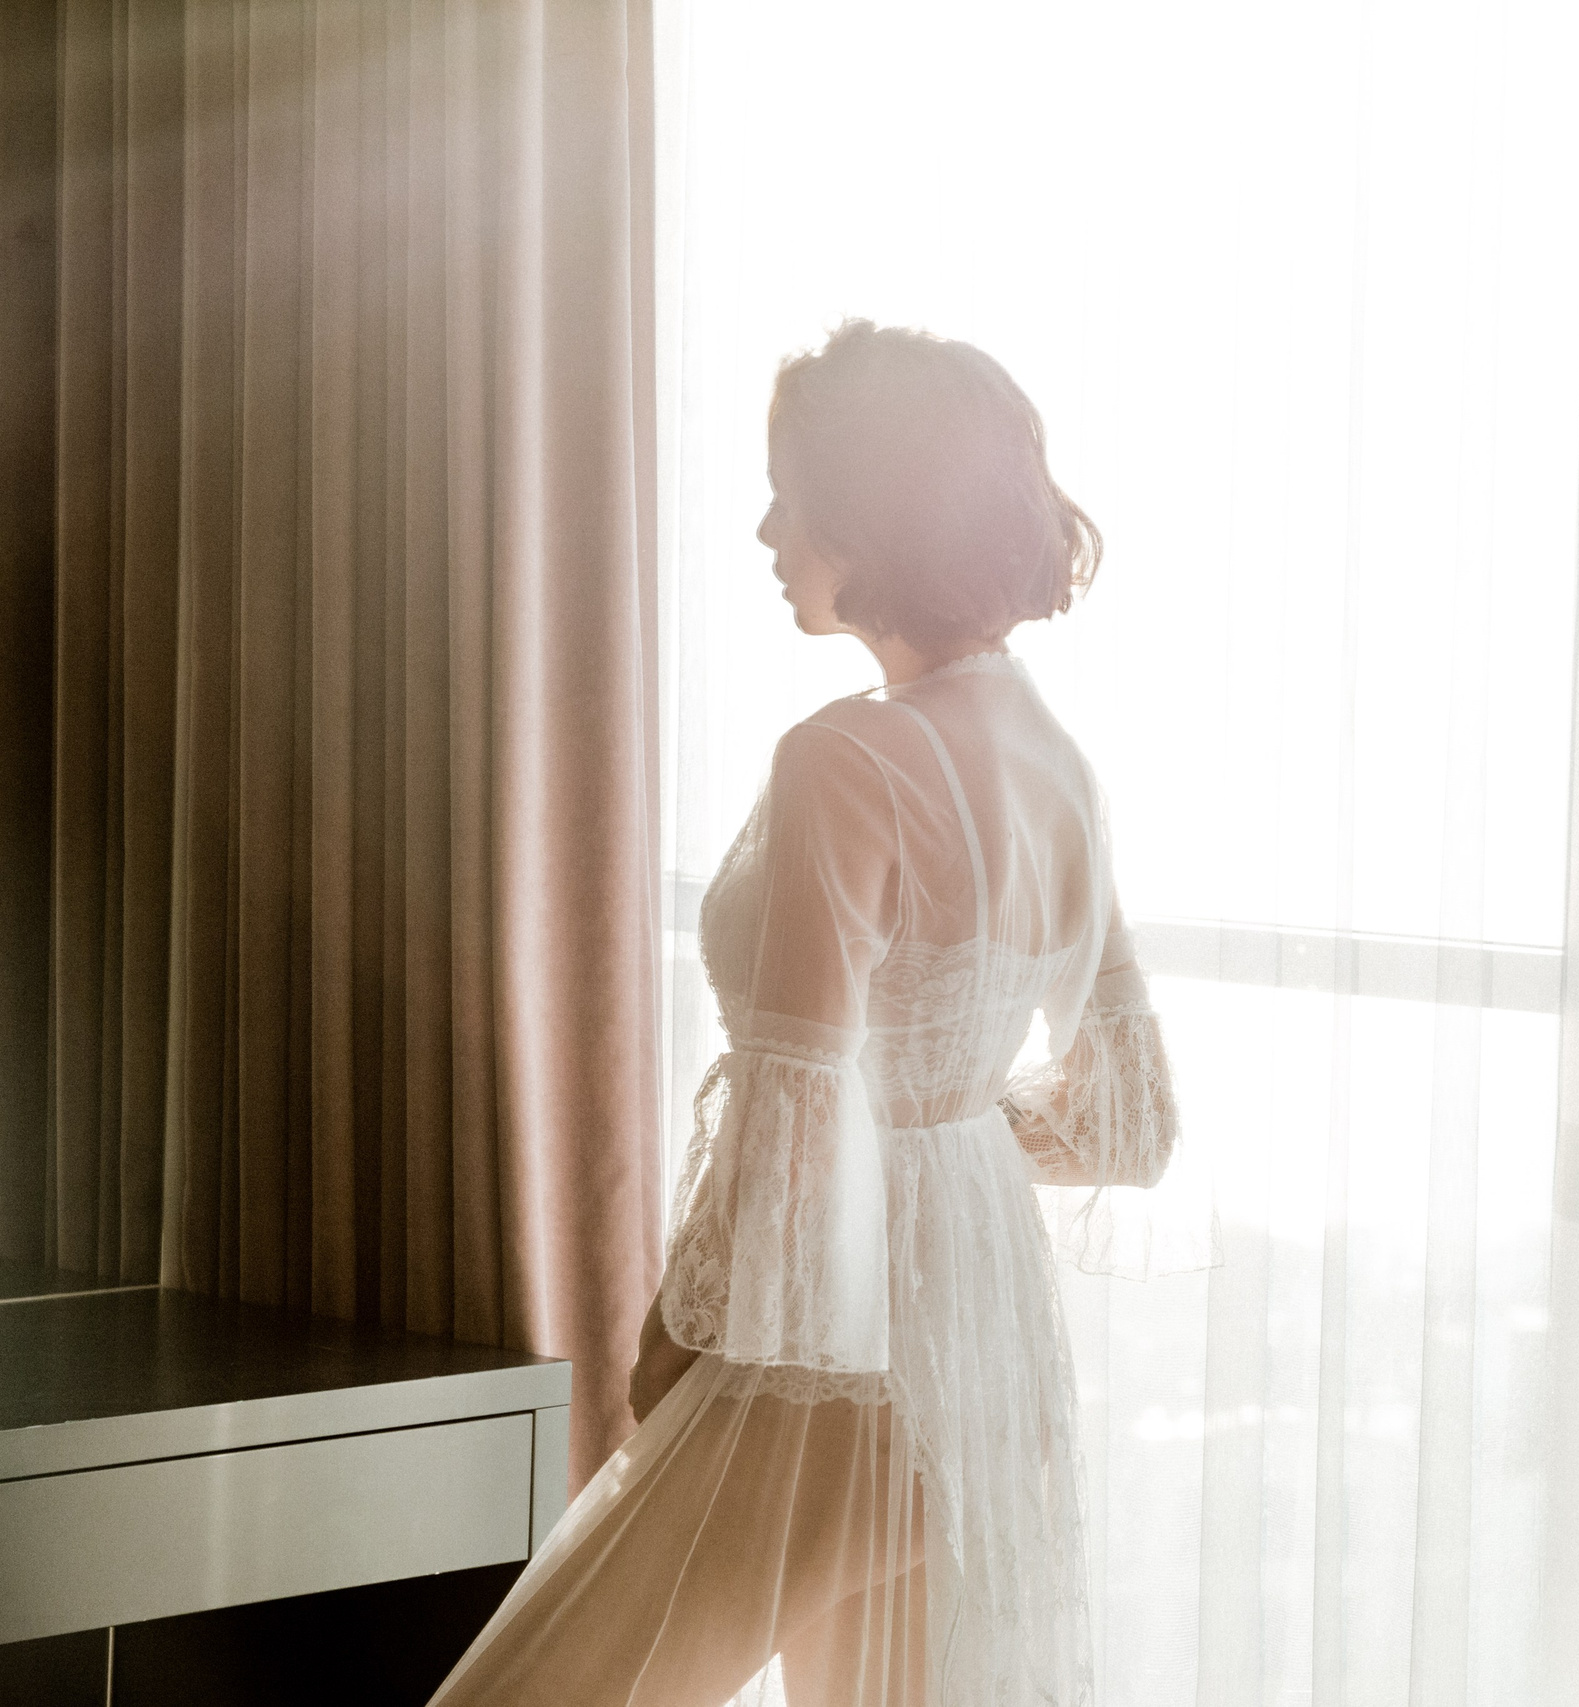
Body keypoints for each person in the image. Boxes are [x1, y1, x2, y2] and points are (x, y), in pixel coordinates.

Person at [429, 320, 1181, 1707]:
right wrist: (944, 1131)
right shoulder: (1057, 763)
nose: (769, 530)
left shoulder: (849, 756)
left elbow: (795, 1113)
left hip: (830, 1364)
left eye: (792, 494)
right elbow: (1128, 1125)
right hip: (984, 1360)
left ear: (874, 511)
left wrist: (672, 1342)